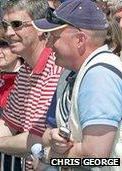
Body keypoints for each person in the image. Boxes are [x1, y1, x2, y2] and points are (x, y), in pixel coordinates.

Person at [32, 0, 122, 170]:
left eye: (55, 37)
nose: (49, 44)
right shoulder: (70, 72)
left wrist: (51, 156)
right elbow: (47, 132)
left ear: (80, 39)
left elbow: (96, 156)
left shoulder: (100, 75)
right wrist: (53, 138)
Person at [0, 0, 62, 170]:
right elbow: (8, 123)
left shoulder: (56, 67)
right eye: (5, 25)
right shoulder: (24, 71)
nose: (8, 32)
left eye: (16, 25)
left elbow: (38, 138)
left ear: (40, 27)